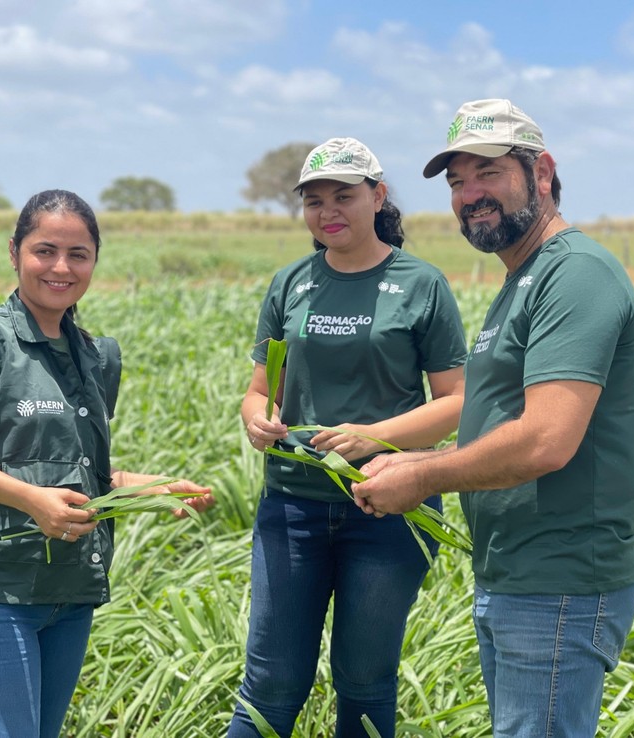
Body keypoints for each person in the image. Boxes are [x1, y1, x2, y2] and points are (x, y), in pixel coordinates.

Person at [352, 99, 634, 738]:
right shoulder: (522, 280)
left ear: (541, 172)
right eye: (457, 182)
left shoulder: (575, 275)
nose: (469, 194)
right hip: (517, 575)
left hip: (558, 582)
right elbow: (500, 430)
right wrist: (413, 461)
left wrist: (424, 479)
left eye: (487, 173)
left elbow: (545, 440)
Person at [0, 189, 214, 738]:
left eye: (79, 254)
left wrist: (143, 488)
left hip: (70, 588)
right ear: (14, 252)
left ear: (95, 261)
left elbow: (75, 472)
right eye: (44, 250)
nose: (61, 267)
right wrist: (32, 501)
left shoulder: (96, 356)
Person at [227, 138, 468, 738]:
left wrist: (376, 439)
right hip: (292, 507)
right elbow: (261, 391)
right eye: (314, 200)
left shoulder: (421, 284)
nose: (328, 210)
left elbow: (459, 403)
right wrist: (256, 418)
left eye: (344, 196)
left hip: (386, 506)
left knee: (364, 681)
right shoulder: (291, 285)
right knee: (272, 682)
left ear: (378, 197)